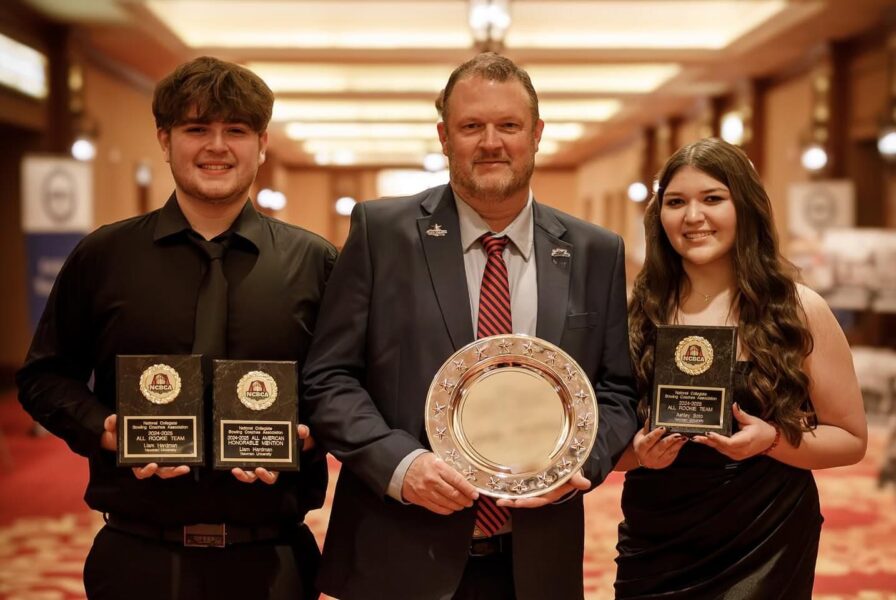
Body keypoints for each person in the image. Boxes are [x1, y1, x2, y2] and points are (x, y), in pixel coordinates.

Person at [302, 52, 639, 600]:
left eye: (508, 125)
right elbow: (329, 378)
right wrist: (401, 465)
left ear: (536, 135)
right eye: (471, 126)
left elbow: (617, 389)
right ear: (443, 136)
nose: (491, 142)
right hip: (398, 554)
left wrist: (577, 464)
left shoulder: (594, 251)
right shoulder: (381, 233)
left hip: (535, 563)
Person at [16, 56, 336, 600]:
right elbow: (45, 376)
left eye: (235, 130)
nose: (216, 146)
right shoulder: (104, 256)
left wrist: (309, 436)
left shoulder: (315, 263)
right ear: (164, 139)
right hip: (136, 556)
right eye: (196, 129)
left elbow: (345, 382)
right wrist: (103, 428)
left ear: (261, 144)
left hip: (273, 559)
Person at [614, 137, 868, 599]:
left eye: (712, 198)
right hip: (656, 533)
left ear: (745, 207)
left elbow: (851, 440)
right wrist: (638, 452)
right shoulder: (638, 311)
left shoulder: (796, 309)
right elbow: (608, 439)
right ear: (659, 215)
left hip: (765, 531)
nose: (693, 217)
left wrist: (770, 441)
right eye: (676, 202)